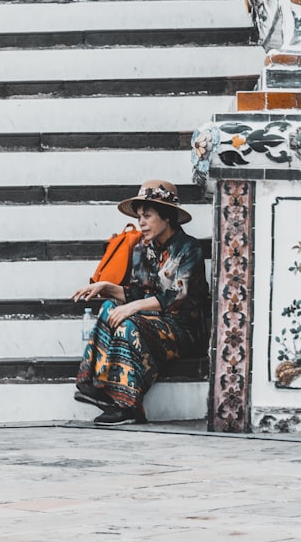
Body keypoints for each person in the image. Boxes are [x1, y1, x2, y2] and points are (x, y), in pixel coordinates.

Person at [71, 180, 211, 426]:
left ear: (166, 216)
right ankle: (95, 385)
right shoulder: (141, 249)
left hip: (184, 328)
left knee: (129, 324)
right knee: (108, 308)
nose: (141, 223)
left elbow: (178, 296)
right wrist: (108, 288)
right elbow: (138, 292)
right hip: (152, 320)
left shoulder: (189, 249)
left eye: (147, 216)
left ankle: (128, 406)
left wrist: (133, 307)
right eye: (139, 217)